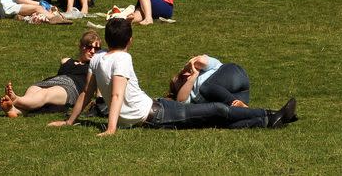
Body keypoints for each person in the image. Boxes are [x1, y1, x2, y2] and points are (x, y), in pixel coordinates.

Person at [49, 18, 297, 134]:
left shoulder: (98, 58)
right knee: (218, 111)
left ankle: (269, 119)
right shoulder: (122, 58)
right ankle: (269, 115)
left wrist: (70, 121)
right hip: (156, 115)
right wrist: (112, 128)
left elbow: (86, 92)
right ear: (130, 41)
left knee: (214, 118)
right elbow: (115, 94)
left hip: (159, 107)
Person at [0, 31, 102, 117]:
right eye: (88, 46)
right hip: (51, 81)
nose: (92, 51)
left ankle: (17, 100)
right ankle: (14, 110)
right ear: (81, 46)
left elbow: (99, 88)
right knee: (33, 90)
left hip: (71, 88)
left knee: (45, 95)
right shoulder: (66, 61)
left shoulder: (96, 66)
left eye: (96, 49)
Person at [168, 55, 251, 107]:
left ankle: (235, 105)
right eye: (180, 80)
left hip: (233, 74)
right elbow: (180, 101)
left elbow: (201, 61)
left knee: (205, 88)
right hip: (237, 93)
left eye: (180, 75)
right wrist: (194, 76)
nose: (183, 76)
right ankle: (242, 108)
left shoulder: (205, 69)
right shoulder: (189, 96)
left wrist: (187, 67)